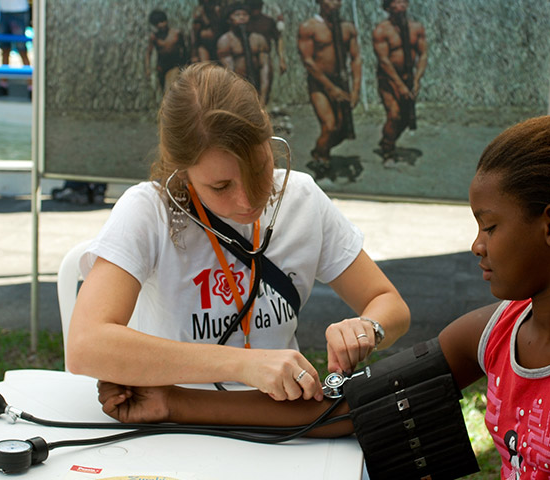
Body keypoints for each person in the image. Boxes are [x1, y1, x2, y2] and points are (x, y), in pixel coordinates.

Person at [98, 115, 550, 479]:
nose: (476, 245)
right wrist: (174, 404)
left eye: (490, 225)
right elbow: (352, 408)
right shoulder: (496, 330)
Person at [66, 62, 410, 404]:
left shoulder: (302, 198)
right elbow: (85, 346)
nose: (248, 200)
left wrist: (368, 327)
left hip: (279, 418)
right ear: (183, 173)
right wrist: (244, 366)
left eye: (259, 169)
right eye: (220, 186)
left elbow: (390, 304)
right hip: (178, 420)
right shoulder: (149, 211)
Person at [297, 0, 362, 180]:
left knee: (342, 129)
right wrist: (330, 87)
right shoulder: (309, 27)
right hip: (319, 83)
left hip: (341, 82)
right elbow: (308, 61)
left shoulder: (347, 28)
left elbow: (356, 58)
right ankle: (322, 159)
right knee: (329, 125)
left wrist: (356, 89)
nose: (334, 2)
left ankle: (319, 151)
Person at [372, 0, 427, 166]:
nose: (400, 6)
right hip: (388, 80)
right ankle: (388, 151)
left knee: (405, 118)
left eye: (403, 2)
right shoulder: (382, 30)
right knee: (394, 114)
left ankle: (386, 140)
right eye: (396, 3)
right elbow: (384, 60)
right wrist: (399, 85)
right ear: (388, 8)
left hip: (408, 78)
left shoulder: (416, 28)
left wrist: (417, 80)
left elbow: (423, 54)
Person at [217, 2, 271, 106]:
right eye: (237, 15)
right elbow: (230, 73)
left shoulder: (259, 39)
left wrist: (263, 97)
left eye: (245, 15)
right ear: (229, 19)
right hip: (238, 87)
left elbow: (265, 69)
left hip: (257, 84)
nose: (242, 18)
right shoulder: (225, 41)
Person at [246, 0, 286, 105]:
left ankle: (262, 111)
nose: (255, 9)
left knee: (266, 87)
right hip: (246, 60)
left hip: (265, 58)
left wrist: (281, 59)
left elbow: (278, 39)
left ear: (261, 6)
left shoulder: (268, 21)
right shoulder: (244, 22)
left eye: (257, 6)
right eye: (252, 6)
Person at [146, 9, 187, 94]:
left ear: (166, 21)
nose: (160, 25)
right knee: (165, 92)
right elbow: (148, 53)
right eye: (157, 24)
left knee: (170, 90)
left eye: (162, 21)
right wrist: (148, 69)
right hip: (162, 68)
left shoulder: (176, 34)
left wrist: (185, 63)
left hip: (174, 65)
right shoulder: (154, 37)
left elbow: (184, 49)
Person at [0, 0, 31, 98]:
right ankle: (3, 84)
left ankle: (31, 86)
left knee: (22, 50)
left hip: (19, 10)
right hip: (4, 10)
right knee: (5, 49)